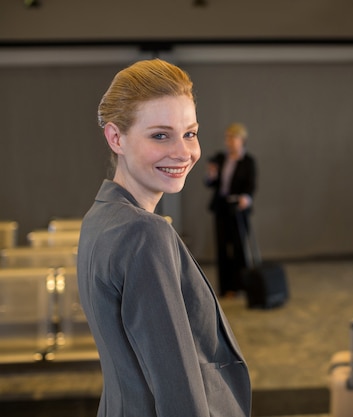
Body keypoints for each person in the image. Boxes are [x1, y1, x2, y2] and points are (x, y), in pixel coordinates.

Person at [77, 59, 251, 417]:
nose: (184, 152)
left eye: (189, 133)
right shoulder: (145, 233)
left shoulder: (100, 216)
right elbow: (177, 391)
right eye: (160, 135)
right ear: (116, 138)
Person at [204, 123, 257, 298]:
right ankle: (225, 287)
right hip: (221, 207)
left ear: (242, 140)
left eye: (233, 137)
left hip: (238, 208)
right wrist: (211, 174)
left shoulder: (248, 161)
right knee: (222, 247)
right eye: (227, 137)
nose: (229, 141)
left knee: (239, 247)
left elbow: (251, 186)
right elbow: (211, 184)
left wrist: (246, 199)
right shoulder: (220, 158)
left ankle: (241, 286)